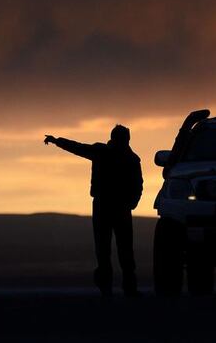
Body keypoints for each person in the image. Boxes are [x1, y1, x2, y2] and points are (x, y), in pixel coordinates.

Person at [44, 125, 143, 297]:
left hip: (106, 207)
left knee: (107, 250)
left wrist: (56, 141)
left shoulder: (107, 153)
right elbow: (138, 185)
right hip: (116, 208)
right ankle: (124, 289)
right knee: (119, 250)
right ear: (127, 139)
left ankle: (113, 289)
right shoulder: (129, 158)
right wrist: (131, 204)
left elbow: (77, 147)